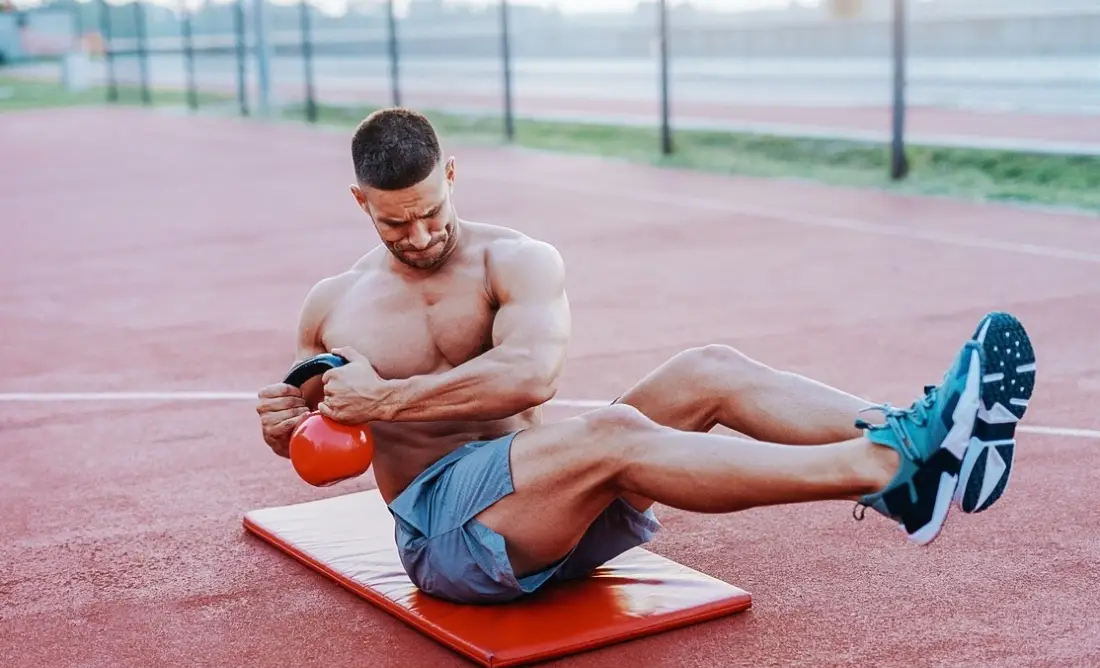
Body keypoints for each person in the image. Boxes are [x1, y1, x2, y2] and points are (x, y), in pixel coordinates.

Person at [255, 107, 1037, 605]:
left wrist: (386, 400)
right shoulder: (332, 304)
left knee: (709, 367)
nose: (421, 235)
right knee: (615, 432)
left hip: (556, 513)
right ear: (362, 203)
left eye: (431, 211)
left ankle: (908, 446)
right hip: (451, 542)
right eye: (397, 224)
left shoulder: (516, 260)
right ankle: (889, 467)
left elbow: (531, 375)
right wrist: (286, 423)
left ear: (452, 174)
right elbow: (315, 443)